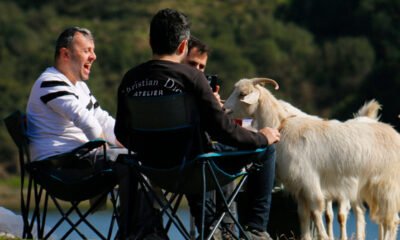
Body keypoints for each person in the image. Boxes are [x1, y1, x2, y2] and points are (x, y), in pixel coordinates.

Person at [115, 8, 280, 240]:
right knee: (267, 149)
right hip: (195, 170)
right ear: (183, 46)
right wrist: (262, 137)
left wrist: (152, 151)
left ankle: (216, 230)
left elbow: (121, 132)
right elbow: (224, 131)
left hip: (155, 173)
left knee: (200, 152)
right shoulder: (192, 78)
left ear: (151, 41)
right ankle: (255, 231)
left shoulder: (130, 79)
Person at [25, 26, 137, 239]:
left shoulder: (78, 87)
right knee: (131, 164)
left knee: (136, 158)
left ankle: (138, 230)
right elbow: (90, 125)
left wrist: (132, 143)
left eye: (93, 50)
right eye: (86, 50)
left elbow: (102, 120)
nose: (93, 56)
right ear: (65, 54)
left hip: (75, 162)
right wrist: (110, 152)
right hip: (60, 169)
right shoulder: (50, 82)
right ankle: (137, 232)